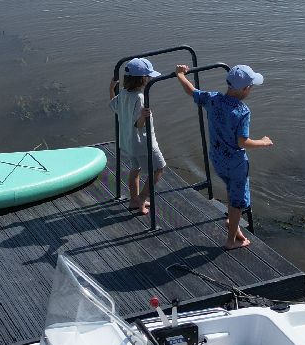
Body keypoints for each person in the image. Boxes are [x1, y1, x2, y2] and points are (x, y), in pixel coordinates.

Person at [175, 63, 272, 249]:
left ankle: (232, 223)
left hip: (217, 158)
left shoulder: (213, 99)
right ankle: (230, 241)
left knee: (231, 190)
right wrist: (263, 142)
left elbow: (192, 91)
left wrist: (180, 75)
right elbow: (242, 142)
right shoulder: (242, 112)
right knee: (238, 200)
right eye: (251, 87)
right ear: (245, 89)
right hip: (235, 163)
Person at [110, 57, 166, 214]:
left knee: (135, 169)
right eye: (148, 76)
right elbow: (139, 125)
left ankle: (134, 200)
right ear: (143, 79)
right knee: (159, 168)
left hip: (128, 142)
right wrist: (144, 116)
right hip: (143, 142)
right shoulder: (140, 98)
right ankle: (142, 199)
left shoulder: (123, 93)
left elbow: (114, 107)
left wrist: (110, 89)